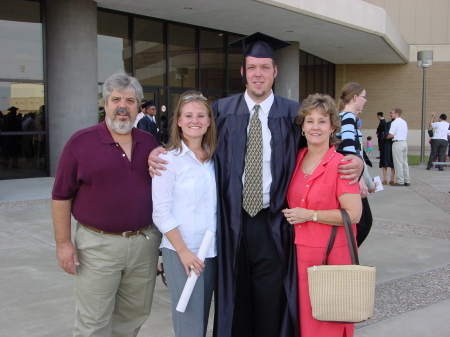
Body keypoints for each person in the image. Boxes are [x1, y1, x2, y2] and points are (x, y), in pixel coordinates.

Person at [148, 32, 363, 337]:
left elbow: (320, 146)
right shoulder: (221, 111)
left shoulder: (293, 114)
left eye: (265, 67)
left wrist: (357, 161)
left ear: (275, 71)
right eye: (252, 68)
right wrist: (156, 152)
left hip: (274, 222)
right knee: (234, 295)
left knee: (271, 297)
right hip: (228, 223)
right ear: (243, 73)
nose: (258, 74)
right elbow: (193, 142)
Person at [51, 70, 161, 337]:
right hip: (97, 248)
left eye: (130, 101)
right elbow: (61, 196)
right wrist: (64, 243)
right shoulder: (80, 142)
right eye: (116, 99)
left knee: (133, 317)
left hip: (143, 245)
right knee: (93, 323)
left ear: (138, 107)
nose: (123, 106)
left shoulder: (149, 143)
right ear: (105, 104)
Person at [283, 94, 362, 337]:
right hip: (299, 256)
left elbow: (354, 214)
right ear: (302, 127)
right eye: (309, 121)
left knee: (329, 321)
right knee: (306, 322)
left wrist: (310, 215)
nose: (315, 127)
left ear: (333, 127)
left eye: (322, 121)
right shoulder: (295, 159)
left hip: (332, 255)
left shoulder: (341, 164)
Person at [152, 90, 217, 337]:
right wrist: (183, 251)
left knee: (203, 320)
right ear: (178, 121)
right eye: (188, 115)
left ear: (209, 121)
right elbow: (160, 212)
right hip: (182, 251)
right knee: (189, 325)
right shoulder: (168, 160)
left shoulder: (214, 158)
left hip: (212, 251)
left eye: (201, 115)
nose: (195, 120)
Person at [386, 108, 410, 186]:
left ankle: (400, 180)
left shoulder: (395, 122)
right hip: (404, 142)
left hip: (397, 143)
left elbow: (391, 134)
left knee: (398, 163)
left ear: (396, 113)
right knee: (404, 162)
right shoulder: (404, 122)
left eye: (392, 113)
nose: (391, 114)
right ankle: (407, 179)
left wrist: (385, 137)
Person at [380, 110, 395, 184]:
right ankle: (392, 179)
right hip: (394, 143)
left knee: (384, 161)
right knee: (393, 162)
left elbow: (386, 134)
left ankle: (385, 178)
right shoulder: (399, 124)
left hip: (387, 144)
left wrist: (383, 137)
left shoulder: (388, 124)